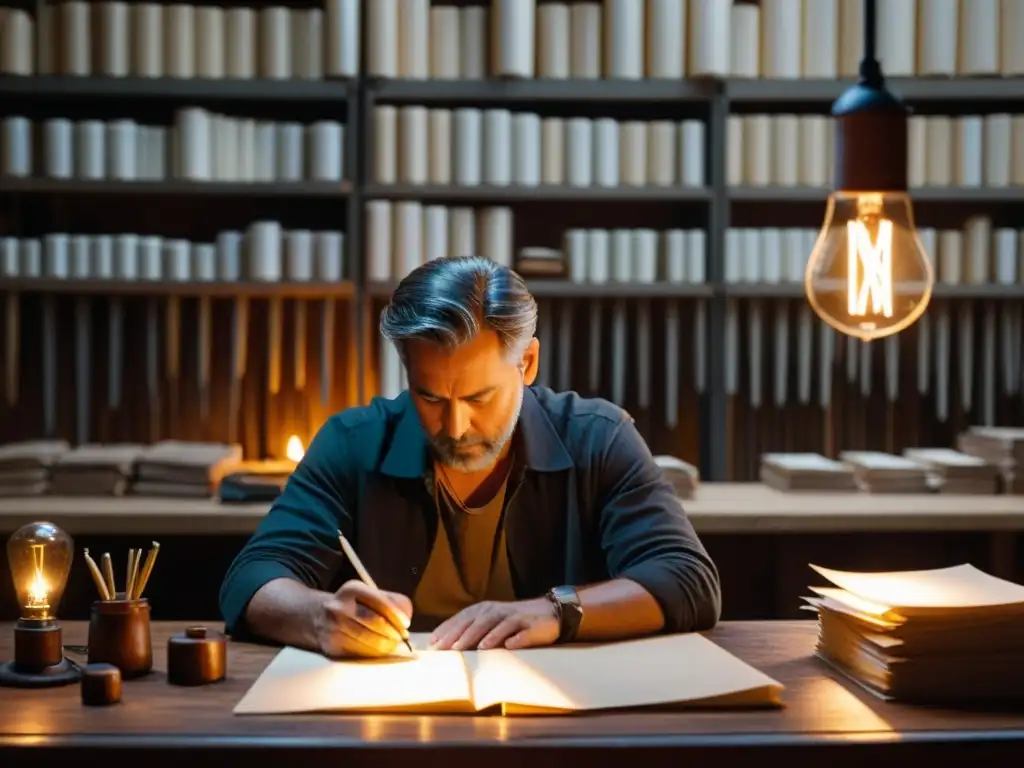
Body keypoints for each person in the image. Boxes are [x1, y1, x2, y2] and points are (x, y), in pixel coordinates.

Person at [219, 256, 721, 658]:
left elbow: (686, 579)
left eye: (479, 398)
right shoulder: (352, 441)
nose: (455, 427)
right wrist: (320, 616)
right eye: (430, 399)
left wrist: (558, 612)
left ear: (527, 362)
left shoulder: (598, 437)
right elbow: (253, 576)